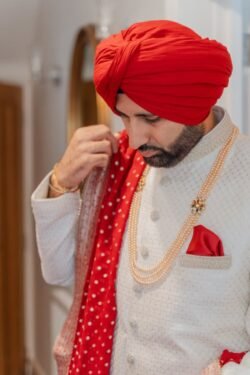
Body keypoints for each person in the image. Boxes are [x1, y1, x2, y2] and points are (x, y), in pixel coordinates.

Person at [31, 20, 250, 375]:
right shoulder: (120, 163)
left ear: (196, 104)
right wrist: (61, 182)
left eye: (150, 118)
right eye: (125, 117)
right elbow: (58, 272)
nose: (133, 139)